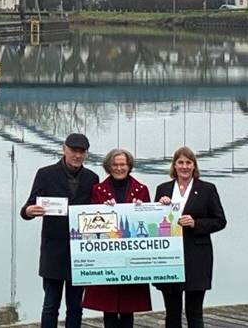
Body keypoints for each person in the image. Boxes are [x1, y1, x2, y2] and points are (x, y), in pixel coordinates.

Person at [21, 133, 100, 328]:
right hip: (53, 251)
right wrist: (29, 211)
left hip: (81, 253)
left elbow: (98, 211)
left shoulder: (92, 178)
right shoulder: (45, 174)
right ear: (64, 149)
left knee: (75, 307)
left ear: (87, 154)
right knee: (50, 305)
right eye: (74, 151)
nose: (78, 156)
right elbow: (29, 207)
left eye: (82, 152)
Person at [155, 146, 227, 328]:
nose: (184, 167)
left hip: (197, 257)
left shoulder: (207, 189)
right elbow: (154, 223)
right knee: (172, 312)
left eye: (188, 162)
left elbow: (220, 221)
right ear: (174, 166)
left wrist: (196, 224)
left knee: (194, 312)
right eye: (180, 162)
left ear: (194, 166)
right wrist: (159, 207)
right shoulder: (163, 189)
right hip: (169, 257)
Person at [82, 149, 151, 328]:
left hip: (133, 260)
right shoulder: (97, 190)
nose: (119, 168)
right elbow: (90, 225)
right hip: (107, 260)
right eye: (115, 165)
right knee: (109, 310)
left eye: (123, 164)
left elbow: (150, 224)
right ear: (108, 167)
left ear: (129, 166)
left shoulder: (142, 190)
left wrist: (142, 209)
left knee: (129, 310)